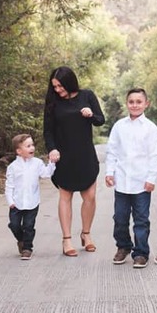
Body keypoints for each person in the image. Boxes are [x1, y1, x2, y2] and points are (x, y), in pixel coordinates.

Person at [43, 66, 105, 257]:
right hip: (64, 156)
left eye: (60, 86)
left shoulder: (87, 96)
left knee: (90, 197)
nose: (57, 90)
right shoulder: (53, 102)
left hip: (85, 154)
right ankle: (67, 239)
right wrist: (52, 149)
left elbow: (100, 120)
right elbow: (48, 131)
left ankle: (86, 234)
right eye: (54, 87)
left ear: (70, 83)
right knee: (65, 196)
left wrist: (90, 114)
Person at [104, 88, 157, 268]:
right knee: (120, 218)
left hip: (141, 183)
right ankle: (123, 246)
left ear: (146, 104)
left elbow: (155, 155)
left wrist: (151, 178)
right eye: (131, 102)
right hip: (122, 181)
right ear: (127, 103)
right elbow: (112, 151)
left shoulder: (150, 128)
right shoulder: (119, 126)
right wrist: (109, 172)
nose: (135, 105)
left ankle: (141, 253)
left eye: (139, 102)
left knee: (141, 220)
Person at [5, 133, 56, 260]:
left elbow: (46, 174)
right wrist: (10, 201)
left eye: (32, 145)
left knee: (28, 226)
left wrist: (52, 163)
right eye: (28, 146)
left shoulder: (37, 163)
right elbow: (9, 186)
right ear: (19, 151)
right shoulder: (13, 167)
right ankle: (21, 240)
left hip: (32, 202)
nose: (32, 148)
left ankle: (27, 248)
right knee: (14, 225)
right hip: (16, 203)